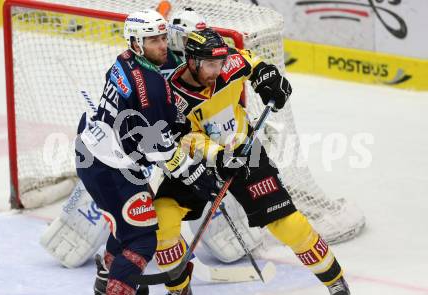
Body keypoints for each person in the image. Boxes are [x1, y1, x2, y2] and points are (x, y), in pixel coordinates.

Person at [152, 28, 351, 295]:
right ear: (191, 61)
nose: (217, 70)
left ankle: (335, 282)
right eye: (210, 65)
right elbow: (185, 139)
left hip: (247, 154)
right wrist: (218, 156)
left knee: (288, 223)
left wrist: (267, 77)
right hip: (199, 165)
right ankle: (178, 290)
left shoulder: (227, 64)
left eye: (220, 63)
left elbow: (252, 62)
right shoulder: (172, 96)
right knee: (163, 214)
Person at [75, 10, 219, 295]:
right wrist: (196, 175)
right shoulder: (152, 87)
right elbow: (160, 150)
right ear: (137, 43)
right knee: (142, 240)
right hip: (109, 167)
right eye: (153, 40)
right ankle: (116, 287)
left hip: (96, 152)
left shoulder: (124, 60)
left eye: (163, 37)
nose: (163, 45)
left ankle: (108, 279)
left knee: (128, 225)